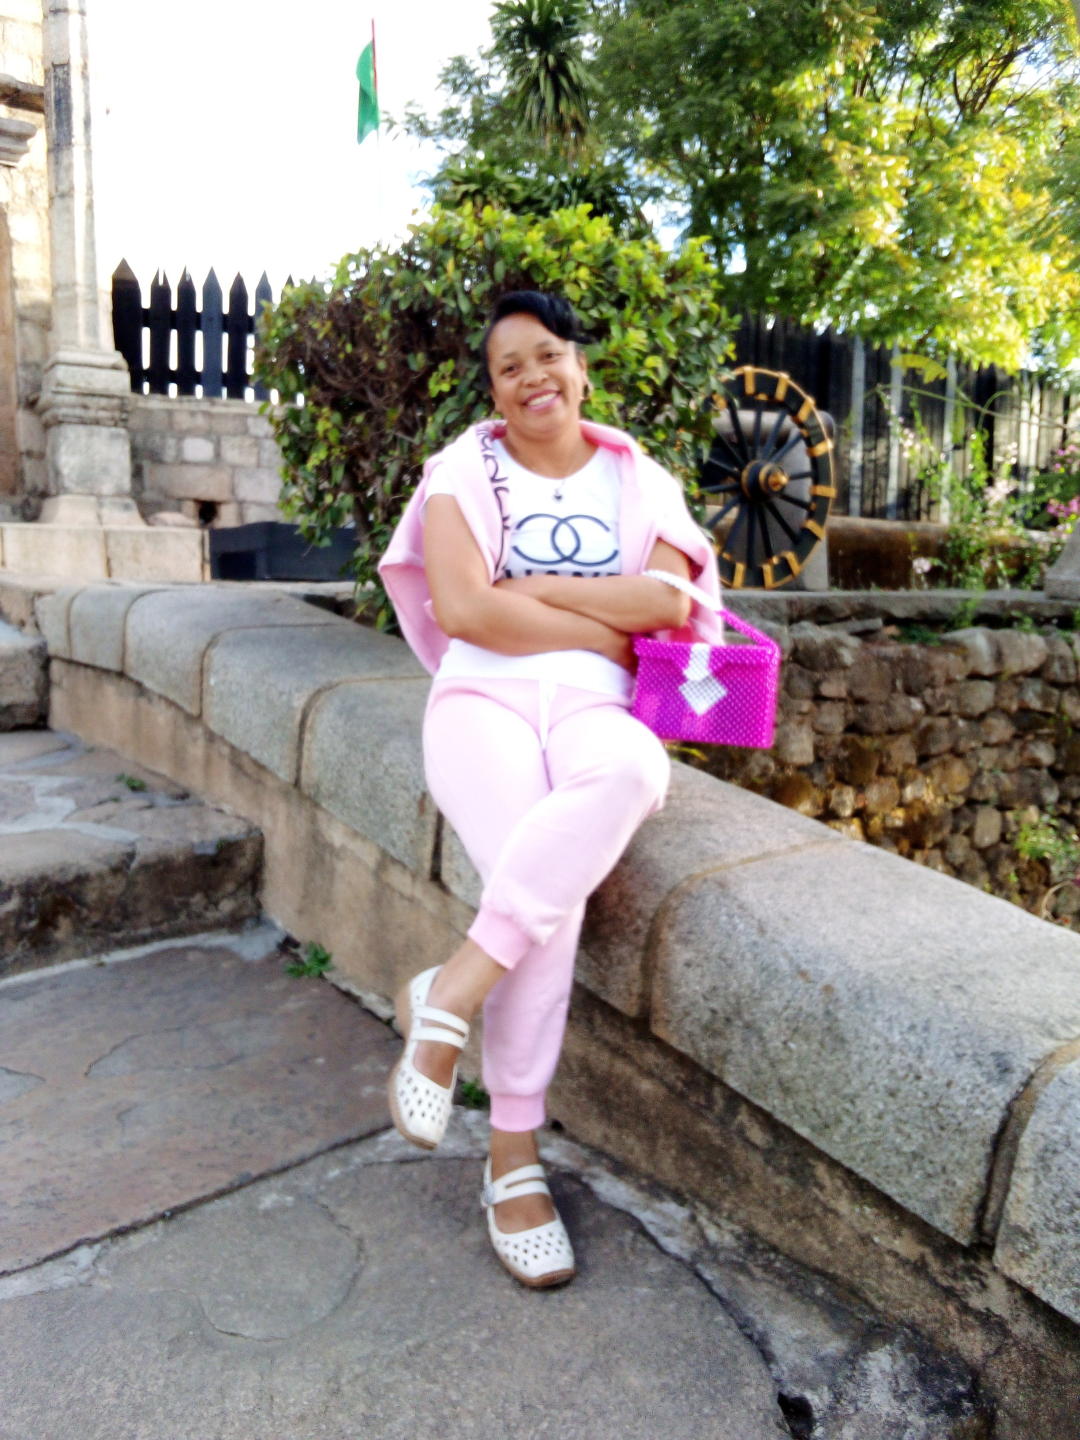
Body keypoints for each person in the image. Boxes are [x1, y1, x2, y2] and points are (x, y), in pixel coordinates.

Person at [378, 290, 723, 1288]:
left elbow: (666, 601)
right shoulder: (462, 470)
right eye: (509, 367)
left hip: (593, 711)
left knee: (636, 770)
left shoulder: (639, 479)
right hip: (479, 702)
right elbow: (464, 611)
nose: (532, 377)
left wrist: (531, 591)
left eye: (547, 356)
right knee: (549, 899)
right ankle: (512, 1156)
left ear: (580, 367)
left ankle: (449, 995)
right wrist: (605, 628)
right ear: (494, 392)